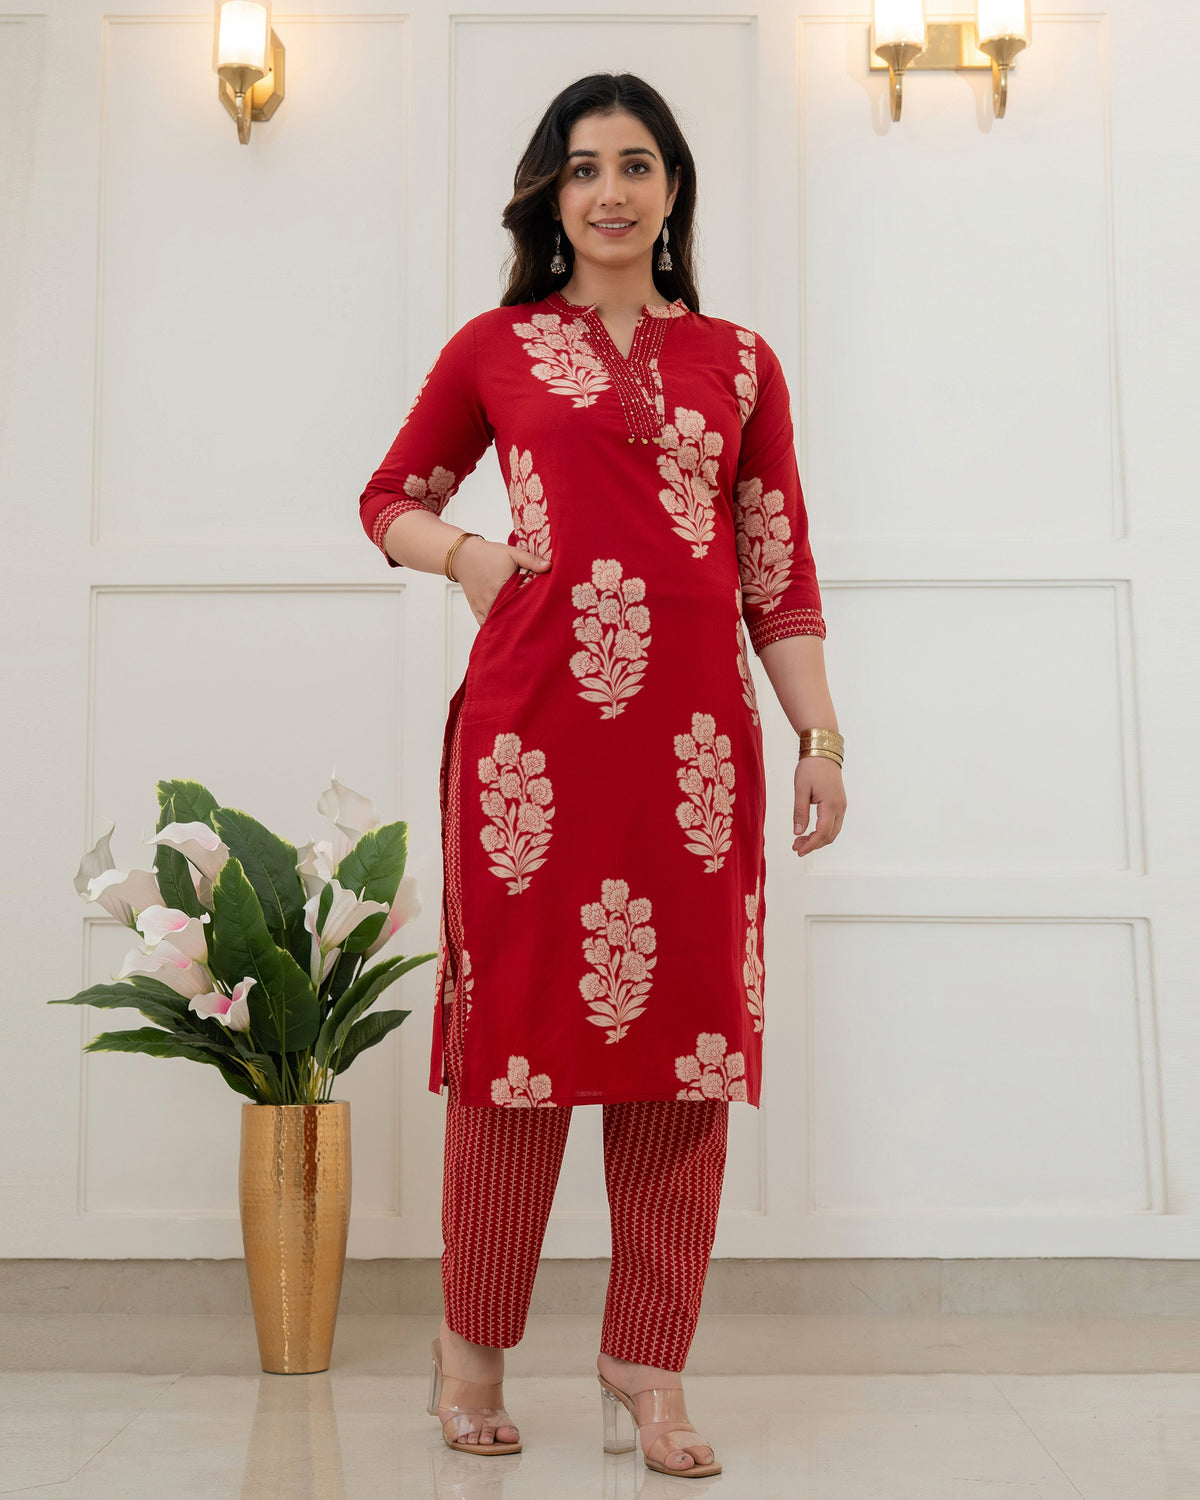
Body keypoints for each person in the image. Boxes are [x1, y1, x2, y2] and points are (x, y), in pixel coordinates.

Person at [358, 72, 846, 1479]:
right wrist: (470, 556)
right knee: (515, 1054)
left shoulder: (739, 363)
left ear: (673, 187)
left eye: (636, 165)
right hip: (534, 744)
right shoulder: (496, 347)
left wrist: (818, 738)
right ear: (551, 195)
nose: (612, 192)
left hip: (694, 759)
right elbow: (389, 498)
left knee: (688, 1057)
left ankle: (649, 1360)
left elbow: (776, 568)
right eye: (584, 169)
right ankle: (470, 1349)